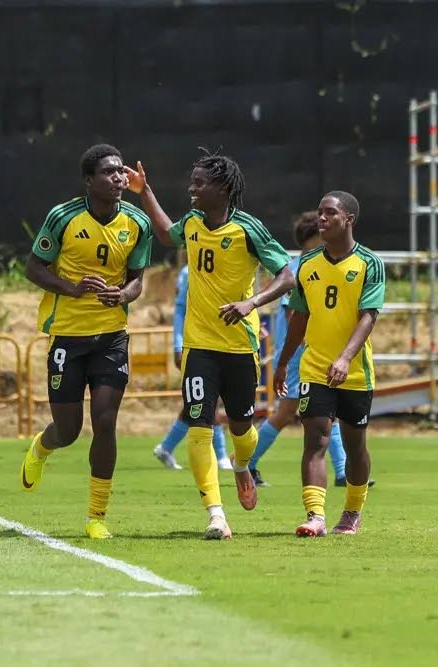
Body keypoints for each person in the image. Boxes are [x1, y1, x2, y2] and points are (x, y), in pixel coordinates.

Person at [126, 152, 295, 540]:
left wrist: (250, 303)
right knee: (199, 423)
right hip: (199, 345)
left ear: (221, 188)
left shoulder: (248, 229)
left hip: (240, 347)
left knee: (241, 428)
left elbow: (287, 276)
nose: (192, 188)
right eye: (192, 181)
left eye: (199, 183)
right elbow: (168, 233)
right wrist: (145, 191)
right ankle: (216, 515)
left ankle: (240, 466)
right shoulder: (193, 224)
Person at [20, 144, 152, 540]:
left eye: (121, 172)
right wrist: (71, 289)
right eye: (109, 172)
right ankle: (42, 447)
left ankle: (97, 515)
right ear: (89, 180)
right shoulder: (63, 217)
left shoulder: (138, 223)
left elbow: (137, 280)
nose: (118, 179)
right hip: (68, 336)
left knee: (106, 422)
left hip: (111, 337)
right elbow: (33, 268)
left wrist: (124, 296)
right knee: (69, 429)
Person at [274, 191, 384, 537]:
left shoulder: (369, 263)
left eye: (329, 213)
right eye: (319, 213)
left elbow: (368, 317)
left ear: (348, 219)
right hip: (314, 369)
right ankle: (316, 516)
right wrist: (282, 363)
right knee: (316, 440)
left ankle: (352, 512)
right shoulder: (306, 265)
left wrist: (345, 357)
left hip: (354, 373)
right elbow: (299, 318)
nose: (321, 219)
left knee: (355, 446)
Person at [249, 212, 348, 488]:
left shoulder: (321, 264)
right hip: (296, 356)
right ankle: (246, 463)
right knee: (285, 413)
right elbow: (294, 313)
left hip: (314, 352)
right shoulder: (297, 268)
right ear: (309, 239)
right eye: (320, 235)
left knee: (330, 410)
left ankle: (342, 472)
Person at [152, 262, 232, 471]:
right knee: (208, 398)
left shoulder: (227, 266)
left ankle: (166, 447)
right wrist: (178, 344)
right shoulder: (190, 271)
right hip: (194, 345)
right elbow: (180, 309)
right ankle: (221, 455)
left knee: (198, 401)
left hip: (218, 342)